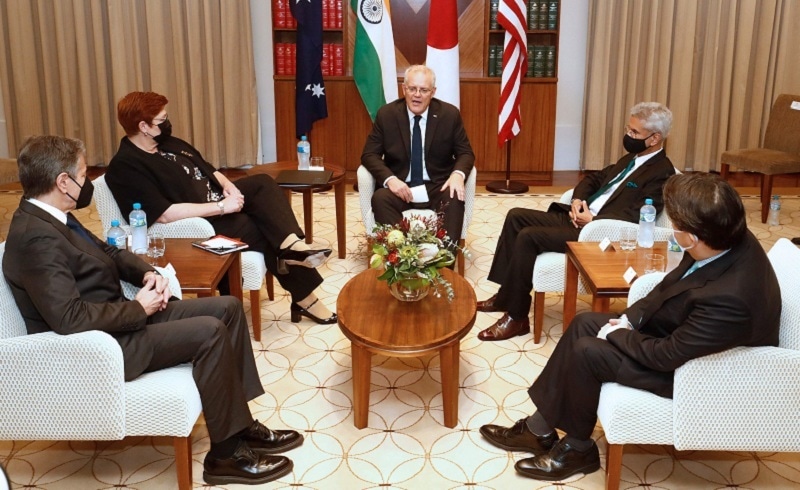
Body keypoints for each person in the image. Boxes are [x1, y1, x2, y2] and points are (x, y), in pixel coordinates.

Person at [2, 136, 308, 485]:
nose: (87, 182)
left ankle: (240, 426)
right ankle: (225, 457)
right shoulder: (36, 238)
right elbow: (69, 319)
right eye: (84, 175)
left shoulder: (56, 217)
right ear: (62, 182)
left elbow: (110, 252)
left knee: (228, 308)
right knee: (209, 332)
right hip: (100, 348)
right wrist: (138, 307)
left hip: (119, 321)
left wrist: (147, 273)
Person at [479, 172, 781, 481]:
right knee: (584, 323)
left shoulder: (733, 297)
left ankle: (578, 449)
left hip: (704, 373)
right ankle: (538, 430)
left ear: (691, 237)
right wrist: (628, 319)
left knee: (588, 352)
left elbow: (666, 356)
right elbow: (669, 285)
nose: (671, 230)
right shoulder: (721, 237)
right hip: (689, 337)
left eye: (675, 226)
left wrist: (617, 334)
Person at [106, 91, 335, 325]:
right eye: (162, 120)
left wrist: (229, 188)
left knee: (263, 183)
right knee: (260, 228)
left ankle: (291, 247)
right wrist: (221, 207)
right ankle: (306, 299)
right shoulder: (126, 166)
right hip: (203, 222)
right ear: (143, 126)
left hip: (221, 201)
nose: (167, 123)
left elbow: (208, 169)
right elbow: (163, 215)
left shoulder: (167, 143)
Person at [477, 102, 677, 341]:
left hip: (600, 235)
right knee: (515, 216)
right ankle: (505, 296)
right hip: (579, 218)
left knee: (529, 236)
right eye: (628, 129)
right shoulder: (631, 158)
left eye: (635, 133)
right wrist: (578, 200)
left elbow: (638, 216)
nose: (628, 136)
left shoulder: (662, 172)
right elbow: (595, 178)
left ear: (654, 138)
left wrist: (593, 219)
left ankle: (517, 318)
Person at [361, 65, 475, 242]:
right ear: (404, 89)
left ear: (433, 92)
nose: (417, 95)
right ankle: (403, 257)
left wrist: (457, 175)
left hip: (437, 185)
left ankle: (444, 265)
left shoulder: (449, 115)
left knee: (454, 197)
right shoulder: (387, 114)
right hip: (401, 186)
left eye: (423, 90)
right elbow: (369, 154)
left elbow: (466, 153)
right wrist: (390, 180)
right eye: (412, 88)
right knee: (380, 199)